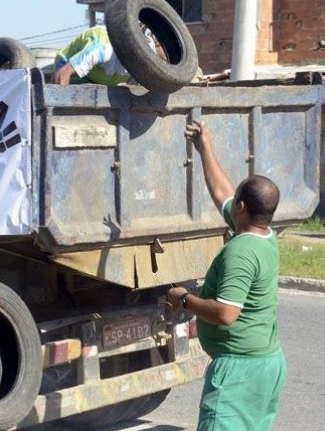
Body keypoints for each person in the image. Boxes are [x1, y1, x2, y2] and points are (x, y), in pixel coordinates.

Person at [167, 120, 287, 431]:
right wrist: (204, 146)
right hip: (265, 364)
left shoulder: (241, 251)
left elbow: (225, 313)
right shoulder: (264, 235)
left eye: (237, 199)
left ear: (243, 208)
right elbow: (222, 192)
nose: (231, 201)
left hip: (239, 371)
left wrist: (184, 299)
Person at [52, 25, 157, 86]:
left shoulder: (142, 66)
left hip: (101, 80)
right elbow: (63, 73)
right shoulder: (102, 48)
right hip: (70, 72)